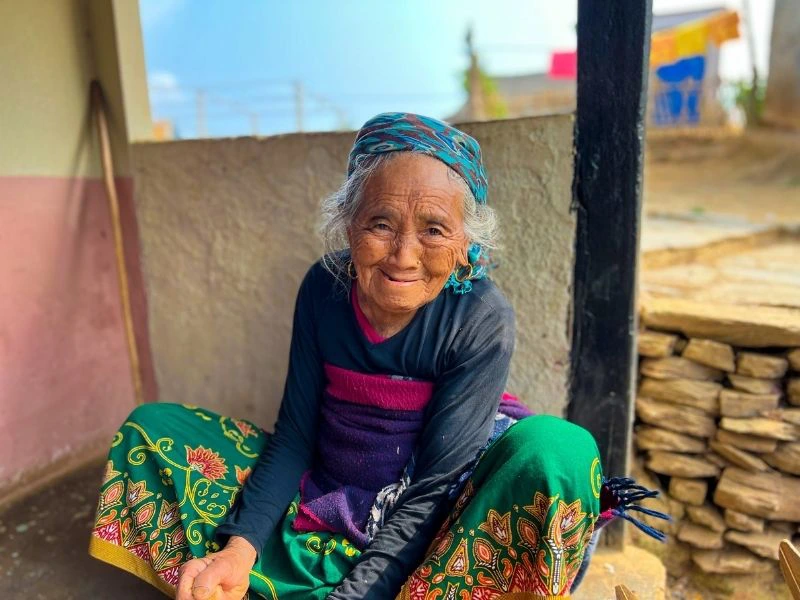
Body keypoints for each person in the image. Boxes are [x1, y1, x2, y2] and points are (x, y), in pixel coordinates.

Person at [89, 113, 665, 600]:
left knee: (559, 452)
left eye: (435, 229)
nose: (403, 255)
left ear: (468, 249)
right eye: (380, 223)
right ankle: (246, 575)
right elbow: (294, 434)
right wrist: (238, 550)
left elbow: (437, 484)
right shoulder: (323, 288)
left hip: (434, 517)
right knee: (151, 429)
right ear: (347, 226)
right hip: (326, 490)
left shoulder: (481, 316)